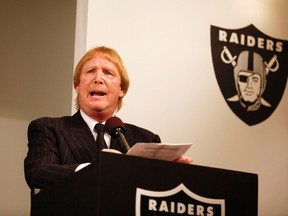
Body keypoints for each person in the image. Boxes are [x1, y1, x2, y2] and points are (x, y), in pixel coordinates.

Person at [24, 46, 192, 190]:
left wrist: (174, 174)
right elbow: (38, 173)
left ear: (122, 89)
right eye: (90, 71)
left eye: (108, 73)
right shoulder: (49, 128)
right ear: (77, 85)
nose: (98, 79)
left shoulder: (147, 139)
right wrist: (98, 169)